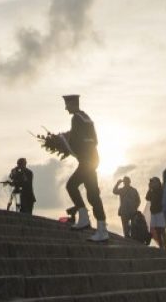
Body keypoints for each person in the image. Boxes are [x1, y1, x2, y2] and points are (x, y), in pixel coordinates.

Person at [58, 94, 109, 242]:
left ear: (73, 104)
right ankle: (98, 226)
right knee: (92, 194)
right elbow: (94, 140)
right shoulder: (85, 117)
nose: (66, 108)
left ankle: (89, 221)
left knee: (72, 186)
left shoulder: (76, 118)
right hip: (92, 159)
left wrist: (65, 143)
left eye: (67, 104)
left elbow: (76, 140)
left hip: (87, 161)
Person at [146, 175, 166, 249]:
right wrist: (149, 189)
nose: (152, 183)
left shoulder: (161, 190)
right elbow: (147, 198)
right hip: (154, 212)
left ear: (158, 182)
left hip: (160, 212)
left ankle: (165, 247)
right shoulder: (152, 191)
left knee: (162, 231)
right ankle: (161, 246)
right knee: (157, 231)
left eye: (153, 182)